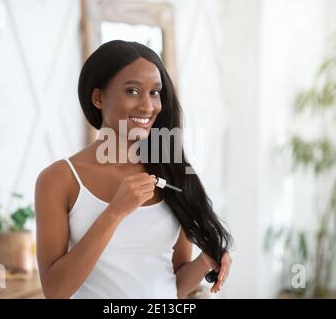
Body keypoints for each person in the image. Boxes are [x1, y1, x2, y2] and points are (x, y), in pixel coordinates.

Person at [34, 40, 233, 299]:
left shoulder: (172, 172)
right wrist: (115, 212)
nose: (148, 106)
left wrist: (206, 261)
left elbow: (173, 286)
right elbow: (55, 291)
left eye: (155, 92)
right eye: (132, 91)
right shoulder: (59, 180)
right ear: (98, 97)